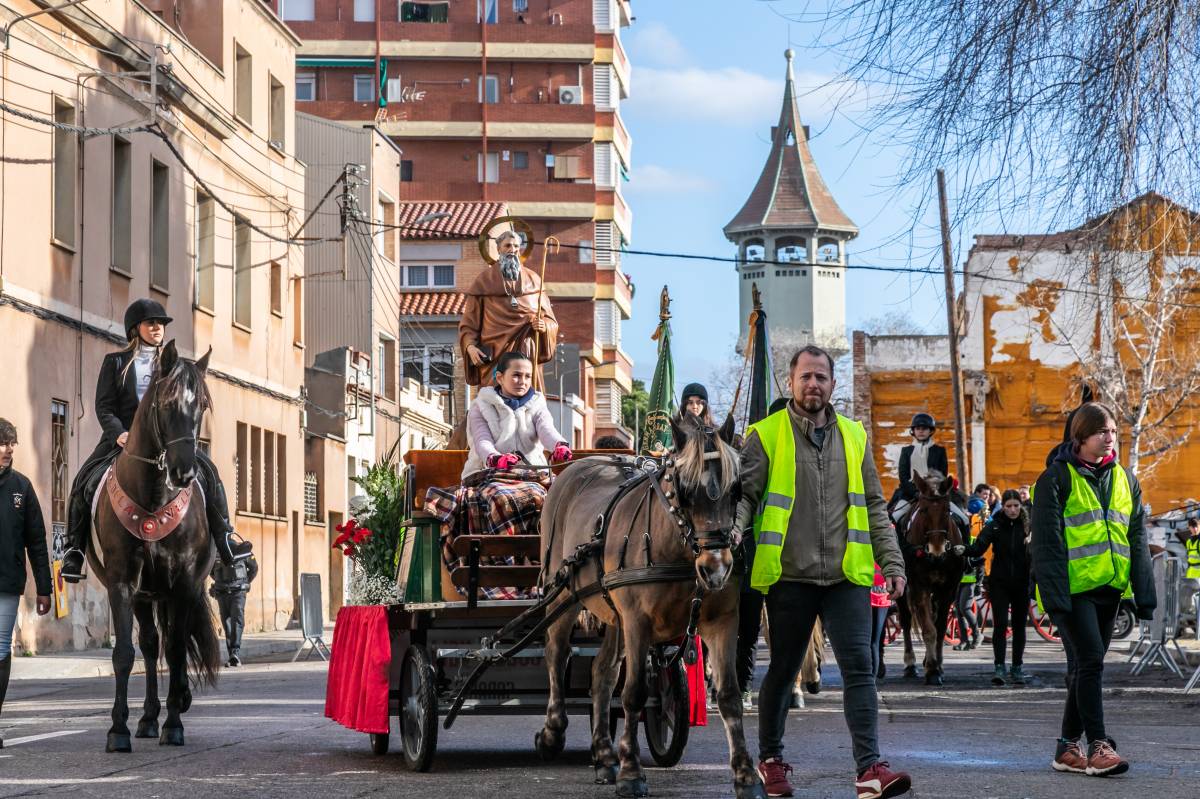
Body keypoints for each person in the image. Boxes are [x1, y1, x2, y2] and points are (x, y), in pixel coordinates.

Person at [737, 345, 911, 799]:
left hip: (845, 576)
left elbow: (874, 504)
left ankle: (870, 769)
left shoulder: (855, 436)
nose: (813, 384)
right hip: (789, 576)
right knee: (783, 669)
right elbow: (745, 499)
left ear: (833, 384)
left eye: (821, 377)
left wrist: (891, 561)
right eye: (805, 377)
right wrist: (732, 536)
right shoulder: (765, 434)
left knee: (860, 669)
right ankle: (771, 762)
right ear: (791, 383)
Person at [60, 300, 251, 582]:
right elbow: (104, 406)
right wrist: (119, 433)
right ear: (135, 328)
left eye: (161, 324)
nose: (157, 328)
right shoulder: (115, 363)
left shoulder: (175, 365)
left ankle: (224, 539)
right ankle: (74, 549)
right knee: (82, 481)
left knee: (210, 474)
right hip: (123, 441)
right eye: (151, 323)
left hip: (170, 442)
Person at [1033, 402, 1155, 777]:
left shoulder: (1125, 478)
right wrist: (1055, 599)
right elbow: (1047, 543)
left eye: (1114, 431)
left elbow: (1136, 537)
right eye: (1102, 431)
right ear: (1081, 436)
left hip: (1110, 587)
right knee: (1091, 661)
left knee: (1085, 666)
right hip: (1072, 591)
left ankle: (1067, 748)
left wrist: (1144, 593)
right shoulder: (1055, 479)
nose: (1110, 437)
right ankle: (1098, 746)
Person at [0, 418, 53, 748]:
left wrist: (45, 587)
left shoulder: (21, 487)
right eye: (3, 443)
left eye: (11, 444)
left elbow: (37, 540)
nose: (7, 449)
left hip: (7, 582)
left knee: (0, 649)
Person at [458, 230, 560, 392]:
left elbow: (550, 320)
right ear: (498, 249)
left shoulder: (535, 281)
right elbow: (469, 324)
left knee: (528, 401)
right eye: (507, 245)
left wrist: (544, 326)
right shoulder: (483, 282)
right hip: (495, 353)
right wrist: (470, 346)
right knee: (493, 402)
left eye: (516, 246)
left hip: (526, 351)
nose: (512, 249)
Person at [463, 351, 572, 479]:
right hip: (489, 473)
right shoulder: (480, 405)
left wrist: (559, 445)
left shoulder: (537, 403)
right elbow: (482, 440)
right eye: (516, 375)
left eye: (527, 376)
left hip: (533, 472)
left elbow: (546, 429)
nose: (522, 381)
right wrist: (495, 459)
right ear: (499, 378)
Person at [966, 489, 1032, 685]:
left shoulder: (1028, 527)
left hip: (1022, 584)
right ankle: (999, 667)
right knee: (1000, 625)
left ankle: (1017, 667)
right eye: (1008, 506)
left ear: (1021, 506)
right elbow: (978, 547)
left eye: (1016, 506)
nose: (1012, 510)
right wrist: (961, 549)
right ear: (1002, 507)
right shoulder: (995, 526)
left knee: (1020, 627)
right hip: (999, 584)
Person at [210, 553, 258, 667]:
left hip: (238, 593)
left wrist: (244, 582)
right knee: (227, 624)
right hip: (222, 594)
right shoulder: (215, 554)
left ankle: (235, 652)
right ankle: (232, 655)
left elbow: (254, 568)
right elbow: (211, 571)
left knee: (237, 621)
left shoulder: (243, 551)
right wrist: (220, 583)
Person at [951, 515, 982, 652]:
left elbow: (980, 564)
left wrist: (979, 584)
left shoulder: (973, 541)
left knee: (965, 608)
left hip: (970, 581)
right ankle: (964, 640)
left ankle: (977, 634)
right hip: (957, 581)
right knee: (958, 609)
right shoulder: (953, 543)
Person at [1178, 518, 1200, 631]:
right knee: (1185, 601)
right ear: (1189, 528)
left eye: (1196, 526)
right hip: (1191, 576)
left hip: (1198, 578)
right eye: (1193, 526)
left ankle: (1194, 624)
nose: (1195, 529)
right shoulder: (1189, 542)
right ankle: (1190, 623)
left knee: (1192, 602)